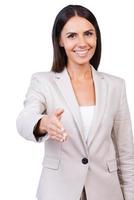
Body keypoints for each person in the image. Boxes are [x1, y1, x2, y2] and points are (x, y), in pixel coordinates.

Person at [16, 4, 134, 200]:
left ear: (96, 37)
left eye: (88, 34)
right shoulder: (43, 81)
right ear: (60, 41)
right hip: (58, 192)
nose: (82, 42)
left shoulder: (115, 86)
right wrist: (43, 123)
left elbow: (126, 152)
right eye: (72, 35)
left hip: (106, 192)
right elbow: (24, 119)